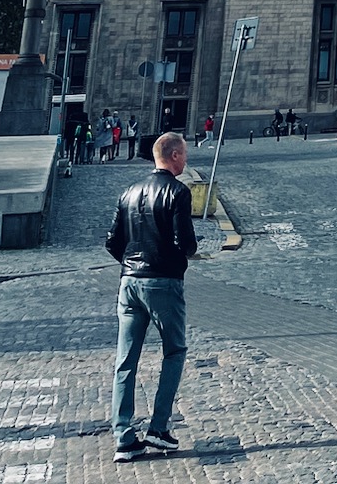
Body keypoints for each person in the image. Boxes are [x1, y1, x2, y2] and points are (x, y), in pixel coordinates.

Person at [105, 130, 197, 462]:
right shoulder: (177, 192)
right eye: (184, 154)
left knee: (125, 360)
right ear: (173, 155)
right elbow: (183, 240)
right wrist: (181, 257)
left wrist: (132, 264)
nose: (186, 159)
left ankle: (123, 436)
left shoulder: (128, 191)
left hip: (129, 283)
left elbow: (112, 241)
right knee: (174, 351)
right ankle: (159, 428)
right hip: (163, 282)